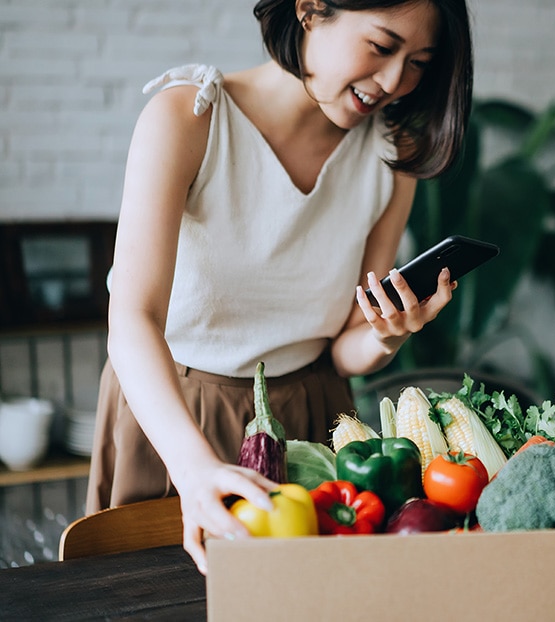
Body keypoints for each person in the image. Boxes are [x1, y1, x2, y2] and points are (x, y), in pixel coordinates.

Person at [86, 0, 473, 574]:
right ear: (311, 10)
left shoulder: (390, 161)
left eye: (419, 61)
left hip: (312, 415)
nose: (396, 82)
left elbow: (344, 348)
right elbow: (132, 318)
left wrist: (388, 334)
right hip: (175, 414)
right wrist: (193, 468)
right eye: (382, 46)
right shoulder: (189, 118)